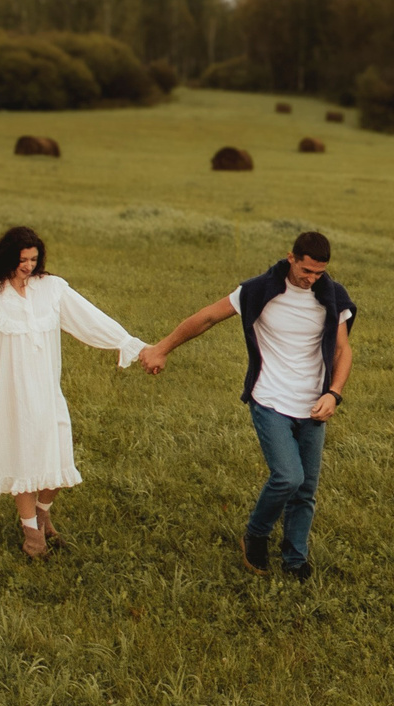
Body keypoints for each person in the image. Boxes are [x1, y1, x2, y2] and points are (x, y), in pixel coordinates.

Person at [140, 231, 357, 579]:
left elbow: (342, 349)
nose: (311, 279)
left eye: (319, 273)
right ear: (291, 258)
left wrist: (334, 393)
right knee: (288, 477)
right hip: (269, 399)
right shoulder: (259, 289)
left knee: (305, 490)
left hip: (314, 404)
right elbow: (208, 317)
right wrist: (161, 349)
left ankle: (295, 558)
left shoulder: (332, 295)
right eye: (306, 270)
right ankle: (256, 534)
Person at [0, 225, 148, 559]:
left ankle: (42, 515)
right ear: (7, 258)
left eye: (34, 259)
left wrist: (129, 344)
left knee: (56, 454)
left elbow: (89, 319)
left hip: (46, 389)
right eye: (22, 260)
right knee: (22, 457)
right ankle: (32, 537)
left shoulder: (51, 288)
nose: (28, 266)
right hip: (11, 393)